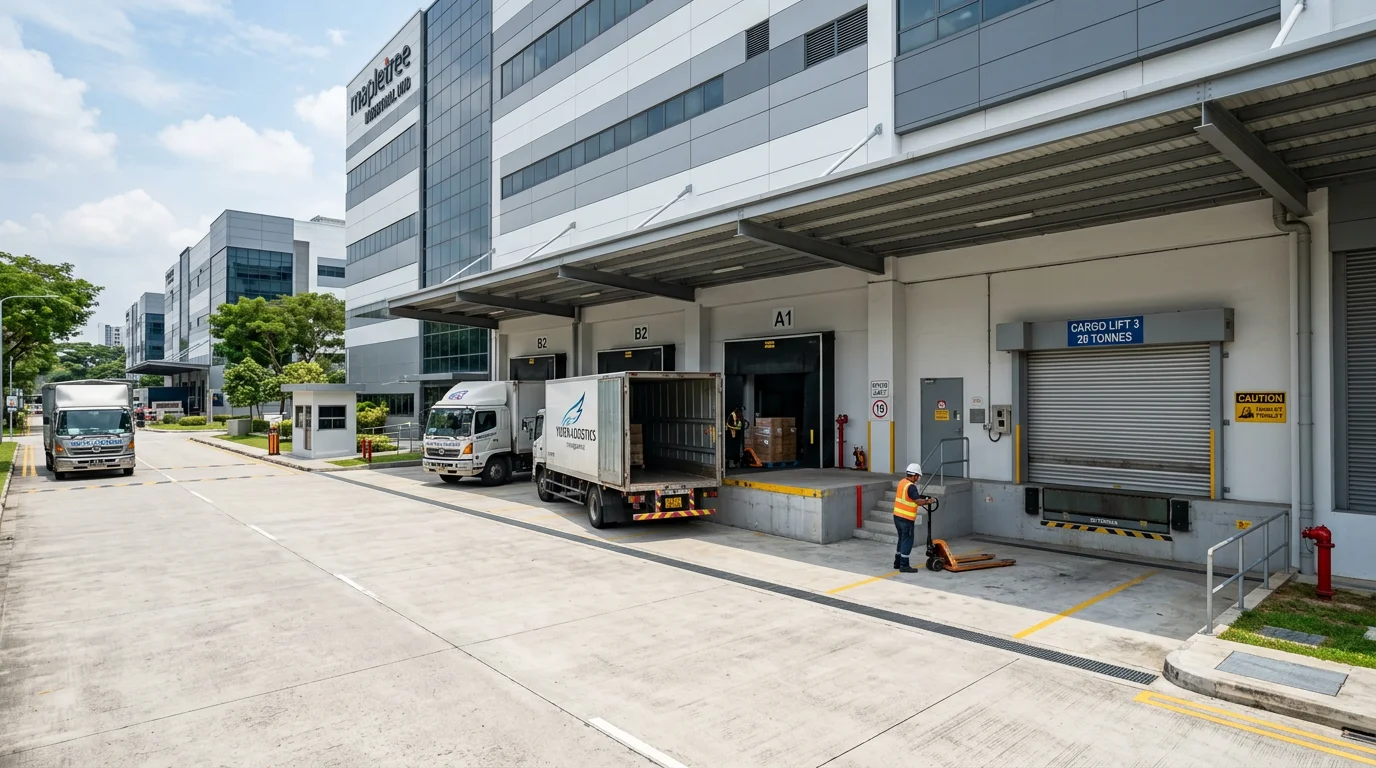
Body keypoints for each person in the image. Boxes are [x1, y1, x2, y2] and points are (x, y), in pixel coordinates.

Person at [892, 462, 933, 573]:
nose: (918, 478)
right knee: (907, 541)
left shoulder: (902, 483)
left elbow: (908, 498)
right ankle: (904, 565)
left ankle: (897, 562)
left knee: (901, 539)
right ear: (914, 475)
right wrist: (928, 501)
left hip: (897, 516)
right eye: (918, 476)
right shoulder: (911, 487)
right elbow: (918, 501)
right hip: (906, 519)